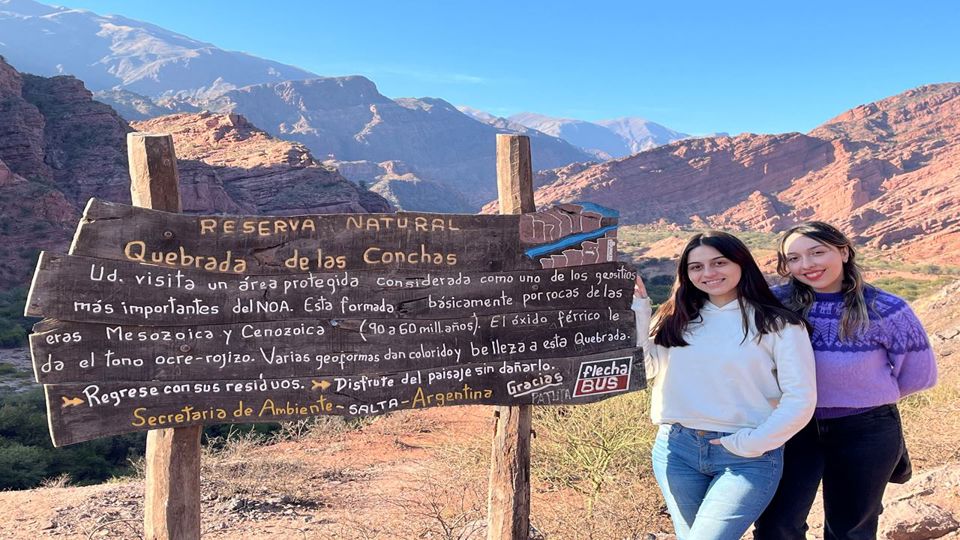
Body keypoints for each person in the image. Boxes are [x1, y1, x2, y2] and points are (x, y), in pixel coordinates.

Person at [753, 222, 938, 540]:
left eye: (817, 252)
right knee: (776, 525)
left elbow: (919, 374)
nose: (806, 265)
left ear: (843, 251)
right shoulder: (774, 303)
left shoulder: (887, 309)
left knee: (850, 529)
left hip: (866, 430)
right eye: (794, 258)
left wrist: (865, 395)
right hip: (790, 428)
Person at [632, 231, 817, 540]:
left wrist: (752, 443)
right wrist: (640, 311)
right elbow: (647, 369)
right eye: (696, 267)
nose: (708, 273)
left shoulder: (778, 324)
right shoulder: (674, 317)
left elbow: (801, 398)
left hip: (746, 456)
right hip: (676, 450)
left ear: (741, 264)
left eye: (719, 263)